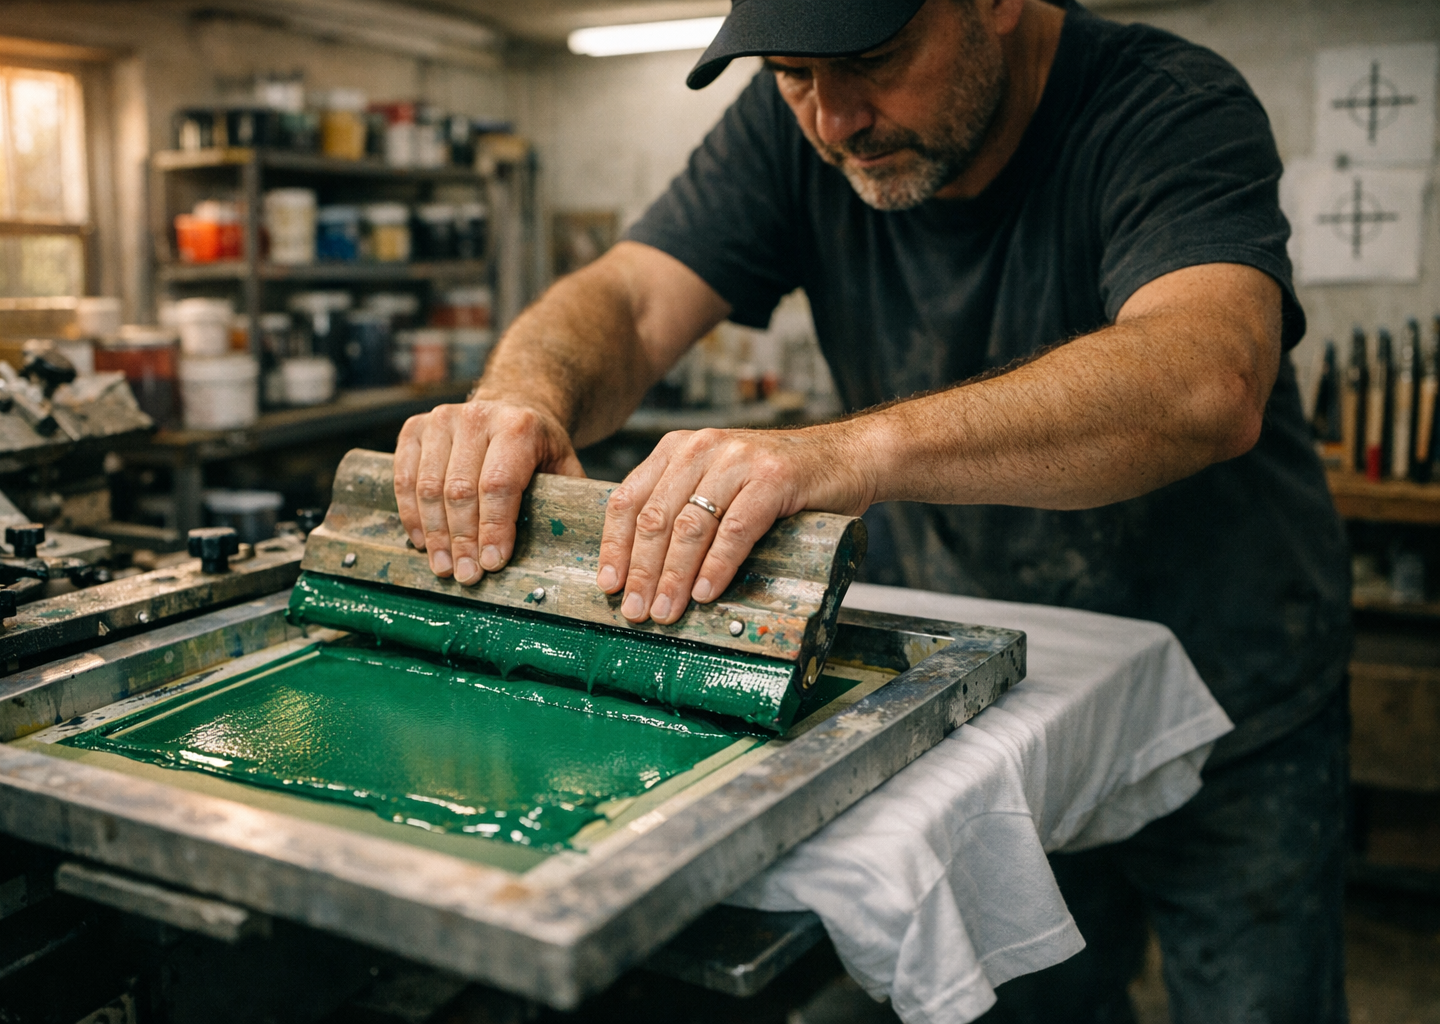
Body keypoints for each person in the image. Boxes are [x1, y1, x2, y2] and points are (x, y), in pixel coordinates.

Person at [393, 0, 1351, 1020]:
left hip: (1230, 683)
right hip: (989, 704)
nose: (834, 120)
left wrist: (847, 450)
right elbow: (631, 297)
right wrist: (523, 397)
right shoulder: (795, 125)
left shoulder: (1167, 104)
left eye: (876, 58)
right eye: (791, 76)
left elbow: (1206, 376)